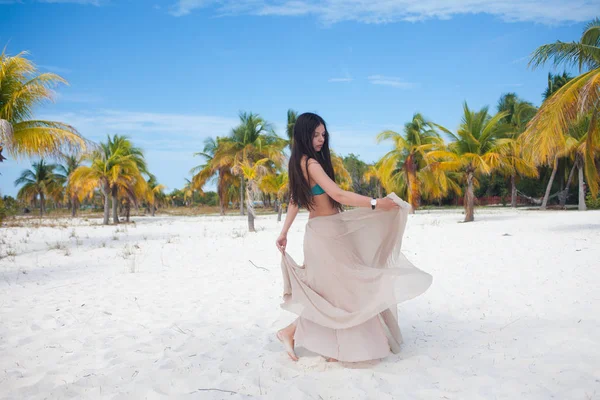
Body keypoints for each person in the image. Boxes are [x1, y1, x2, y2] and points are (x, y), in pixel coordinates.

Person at [275, 112, 432, 362]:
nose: (321, 139)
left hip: (321, 233)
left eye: (323, 135)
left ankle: (291, 332)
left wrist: (284, 232)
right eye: (315, 134)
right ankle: (307, 337)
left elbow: (295, 200)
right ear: (304, 135)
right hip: (327, 235)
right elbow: (339, 195)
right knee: (346, 291)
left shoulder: (298, 163)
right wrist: (376, 203)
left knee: (335, 292)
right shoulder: (312, 165)